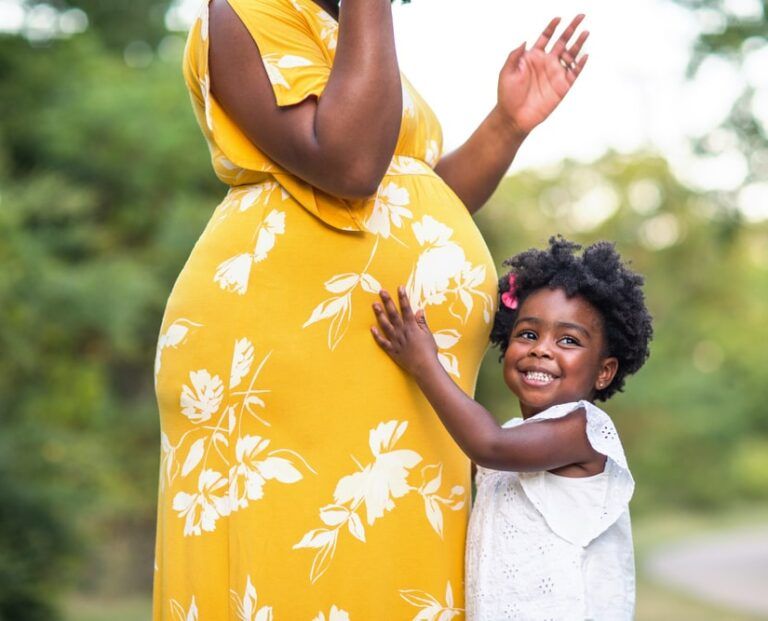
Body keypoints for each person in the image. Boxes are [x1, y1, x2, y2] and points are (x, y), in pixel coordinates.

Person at [152, 0, 589, 616]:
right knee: (296, 566)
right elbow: (350, 165)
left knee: (391, 571)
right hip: (290, 350)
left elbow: (412, 198)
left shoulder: (347, 27)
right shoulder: (252, 10)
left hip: (394, 369)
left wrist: (507, 124)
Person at [370, 236, 653, 620]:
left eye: (568, 340)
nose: (541, 349)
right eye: (528, 334)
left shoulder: (582, 431)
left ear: (604, 371)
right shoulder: (515, 437)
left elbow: (488, 445)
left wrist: (424, 363)